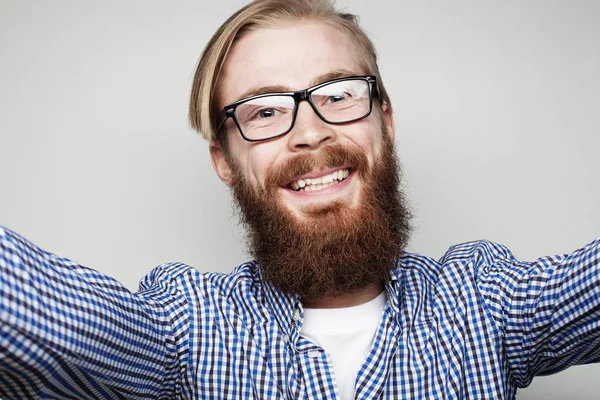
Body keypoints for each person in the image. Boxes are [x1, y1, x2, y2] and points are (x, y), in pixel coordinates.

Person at [1, 0, 599, 399]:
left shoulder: (483, 302)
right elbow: (36, 317)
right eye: (264, 111)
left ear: (385, 124)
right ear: (225, 163)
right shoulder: (185, 324)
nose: (309, 131)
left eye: (338, 95)